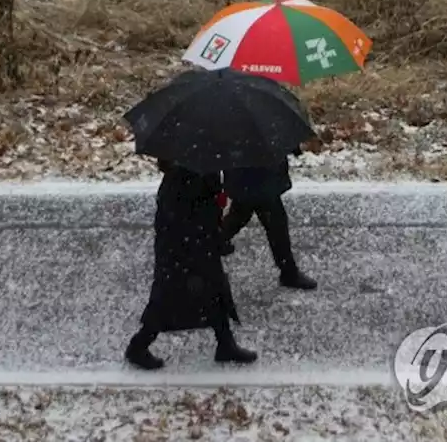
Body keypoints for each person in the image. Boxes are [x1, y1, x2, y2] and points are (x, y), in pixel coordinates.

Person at [125, 158, 258, 370]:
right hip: (183, 244)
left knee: (214, 289)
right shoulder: (185, 175)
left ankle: (225, 343)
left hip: (193, 240)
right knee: (170, 294)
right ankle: (139, 345)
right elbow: (191, 211)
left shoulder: (192, 165)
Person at [220, 152, 317, 291]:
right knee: (275, 222)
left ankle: (211, 246)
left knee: (242, 215)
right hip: (257, 173)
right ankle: (288, 272)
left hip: (250, 172)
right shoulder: (255, 135)